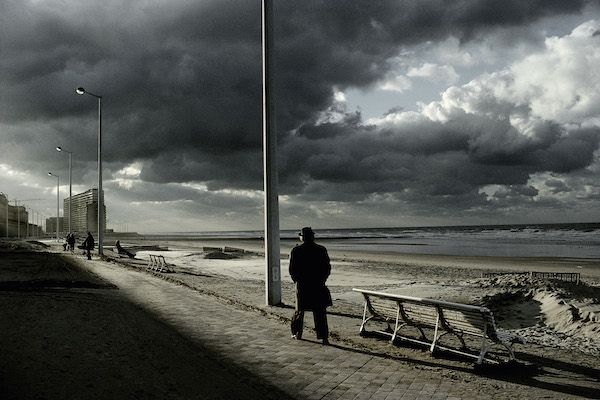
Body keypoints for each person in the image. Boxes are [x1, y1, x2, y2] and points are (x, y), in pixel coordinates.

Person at [289, 227, 332, 344]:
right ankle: (324, 337)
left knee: (299, 311)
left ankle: (297, 333)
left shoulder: (296, 251)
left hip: (303, 285)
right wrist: (322, 280)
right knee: (320, 313)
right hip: (318, 284)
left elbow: (292, 270)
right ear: (312, 236)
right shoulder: (321, 250)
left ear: (302, 237)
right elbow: (327, 268)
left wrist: (297, 280)